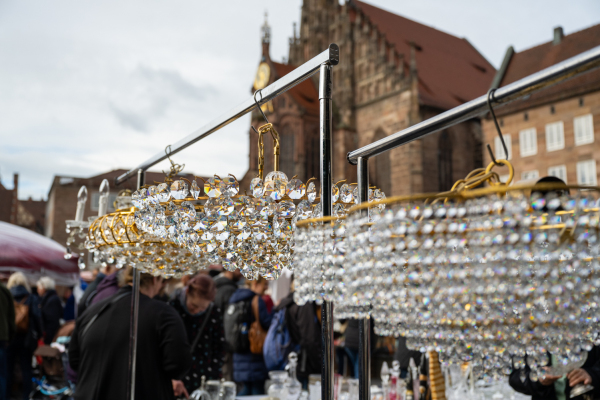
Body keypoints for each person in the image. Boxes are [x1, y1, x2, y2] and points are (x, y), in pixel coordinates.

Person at [69, 264, 192, 400]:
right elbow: (178, 365)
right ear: (155, 279)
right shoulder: (164, 314)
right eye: (162, 281)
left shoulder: (93, 311)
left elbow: (75, 360)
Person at [169, 274, 224, 395]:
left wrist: (214, 377)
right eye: (194, 306)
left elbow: (219, 347)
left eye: (202, 308)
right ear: (187, 293)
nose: (197, 311)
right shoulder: (172, 308)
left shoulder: (214, 313)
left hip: (204, 378)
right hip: (177, 380)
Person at [230, 277, 273, 396]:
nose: (266, 288)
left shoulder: (234, 298)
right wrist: (274, 311)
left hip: (238, 352)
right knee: (257, 391)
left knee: (246, 389)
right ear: (255, 283)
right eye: (265, 284)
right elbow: (267, 323)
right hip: (254, 352)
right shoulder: (256, 300)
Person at [509, 347, 600, 399]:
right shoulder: (533, 331)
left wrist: (593, 375)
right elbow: (515, 377)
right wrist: (537, 380)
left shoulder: (589, 322)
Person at [6, 272, 42, 400]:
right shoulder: (31, 297)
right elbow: (37, 317)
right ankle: (27, 395)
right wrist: (39, 334)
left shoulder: (6, 296)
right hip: (27, 338)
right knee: (26, 368)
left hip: (9, 337)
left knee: (7, 368)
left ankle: (7, 394)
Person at [277, 287, 322, 387]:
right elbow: (309, 338)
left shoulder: (290, 301)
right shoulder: (304, 303)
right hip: (305, 364)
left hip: (296, 359)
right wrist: (320, 364)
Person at [214, 268, 242, 380]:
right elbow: (230, 322)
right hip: (225, 344)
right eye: (240, 269)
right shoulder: (229, 290)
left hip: (218, 342)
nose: (242, 274)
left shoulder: (217, 286)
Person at [0, 281, 15, 400]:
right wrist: (10, 336)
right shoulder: (5, 291)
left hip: (3, 336)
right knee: (2, 374)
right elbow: (11, 317)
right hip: (2, 336)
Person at [37, 277, 63, 345]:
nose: (38, 290)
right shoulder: (48, 298)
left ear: (44, 288)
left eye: (39, 287)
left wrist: (46, 336)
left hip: (50, 336)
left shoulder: (52, 300)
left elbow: (52, 322)